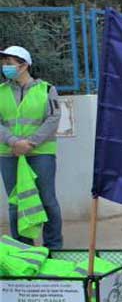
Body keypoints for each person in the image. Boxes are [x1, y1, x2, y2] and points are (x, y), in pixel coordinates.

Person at [0, 46, 63, 249]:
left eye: (9, 63)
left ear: (24, 65)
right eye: (4, 63)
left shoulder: (46, 89)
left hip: (40, 154)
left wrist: (30, 143)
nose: (4, 66)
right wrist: (13, 142)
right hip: (9, 154)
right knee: (16, 203)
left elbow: (53, 119)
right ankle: (23, 249)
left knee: (47, 201)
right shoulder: (0, 92)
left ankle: (53, 248)